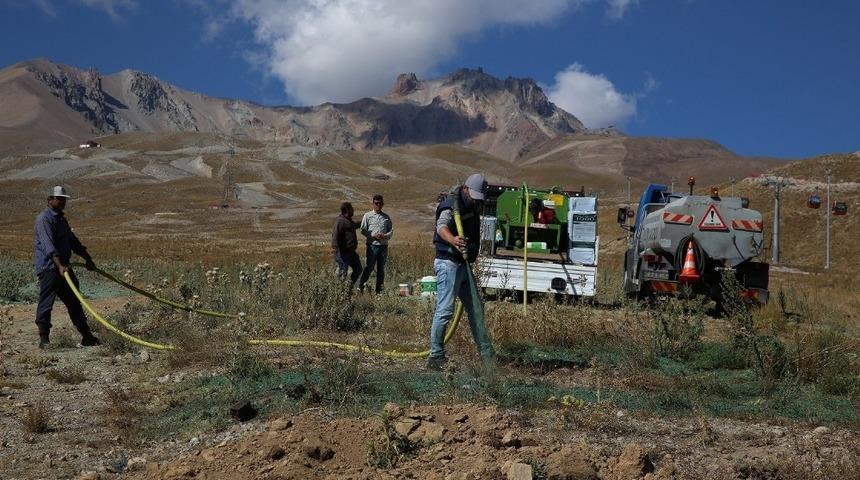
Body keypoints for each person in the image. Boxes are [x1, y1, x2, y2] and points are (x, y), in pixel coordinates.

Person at [427, 174, 495, 370]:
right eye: (473, 196)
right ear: (465, 189)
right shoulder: (451, 205)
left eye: (478, 198)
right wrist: (453, 240)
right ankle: (436, 356)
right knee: (445, 310)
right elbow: (441, 227)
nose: (475, 201)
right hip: (448, 263)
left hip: (464, 264)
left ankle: (487, 354)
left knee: (476, 309)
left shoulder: (473, 206)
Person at [34, 185, 101, 349]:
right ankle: (44, 340)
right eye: (59, 199)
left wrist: (88, 259)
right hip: (50, 268)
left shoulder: (61, 219)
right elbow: (49, 245)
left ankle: (87, 337)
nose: (62, 202)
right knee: (46, 303)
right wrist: (59, 266)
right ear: (50, 200)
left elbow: (73, 242)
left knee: (75, 301)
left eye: (64, 199)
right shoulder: (44, 219)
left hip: (64, 267)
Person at [358, 194, 393, 294]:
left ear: (383, 204)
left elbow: (391, 230)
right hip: (372, 245)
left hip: (383, 246)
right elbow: (362, 230)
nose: (378, 205)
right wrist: (373, 235)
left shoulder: (386, 217)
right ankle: (361, 286)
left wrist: (385, 236)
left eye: (380, 203)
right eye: (376, 203)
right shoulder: (367, 216)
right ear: (373, 204)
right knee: (369, 267)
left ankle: (379, 291)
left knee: (381, 269)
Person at [331, 202, 362, 287]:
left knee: (358, 269)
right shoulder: (340, 221)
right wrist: (334, 247)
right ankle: (339, 293)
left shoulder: (348, 221)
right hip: (342, 253)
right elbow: (335, 234)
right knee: (342, 273)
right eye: (352, 209)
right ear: (347, 210)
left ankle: (348, 289)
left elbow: (354, 225)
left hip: (351, 252)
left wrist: (364, 220)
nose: (353, 210)